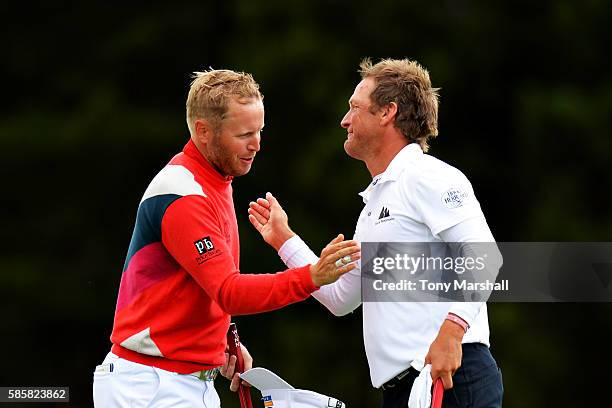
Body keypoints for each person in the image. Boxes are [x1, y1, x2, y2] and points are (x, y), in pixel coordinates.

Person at [92, 68, 361, 408]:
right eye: (244, 134)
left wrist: (217, 340)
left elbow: (194, 288)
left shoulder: (215, 178)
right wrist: (311, 277)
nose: (257, 144)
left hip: (174, 381)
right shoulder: (184, 196)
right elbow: (229, 292)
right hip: (150, 386)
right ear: (203, 132)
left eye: (260, 131)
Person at [248, 58, 504, 408]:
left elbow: (484, 257)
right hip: (405, 390)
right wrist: (284, 240)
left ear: (387, 112)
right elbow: (341, 298)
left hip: (449, 376)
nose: (345, 120)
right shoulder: (375, 204)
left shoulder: (427, 176)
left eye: (354, 107)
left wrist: (452, 331)